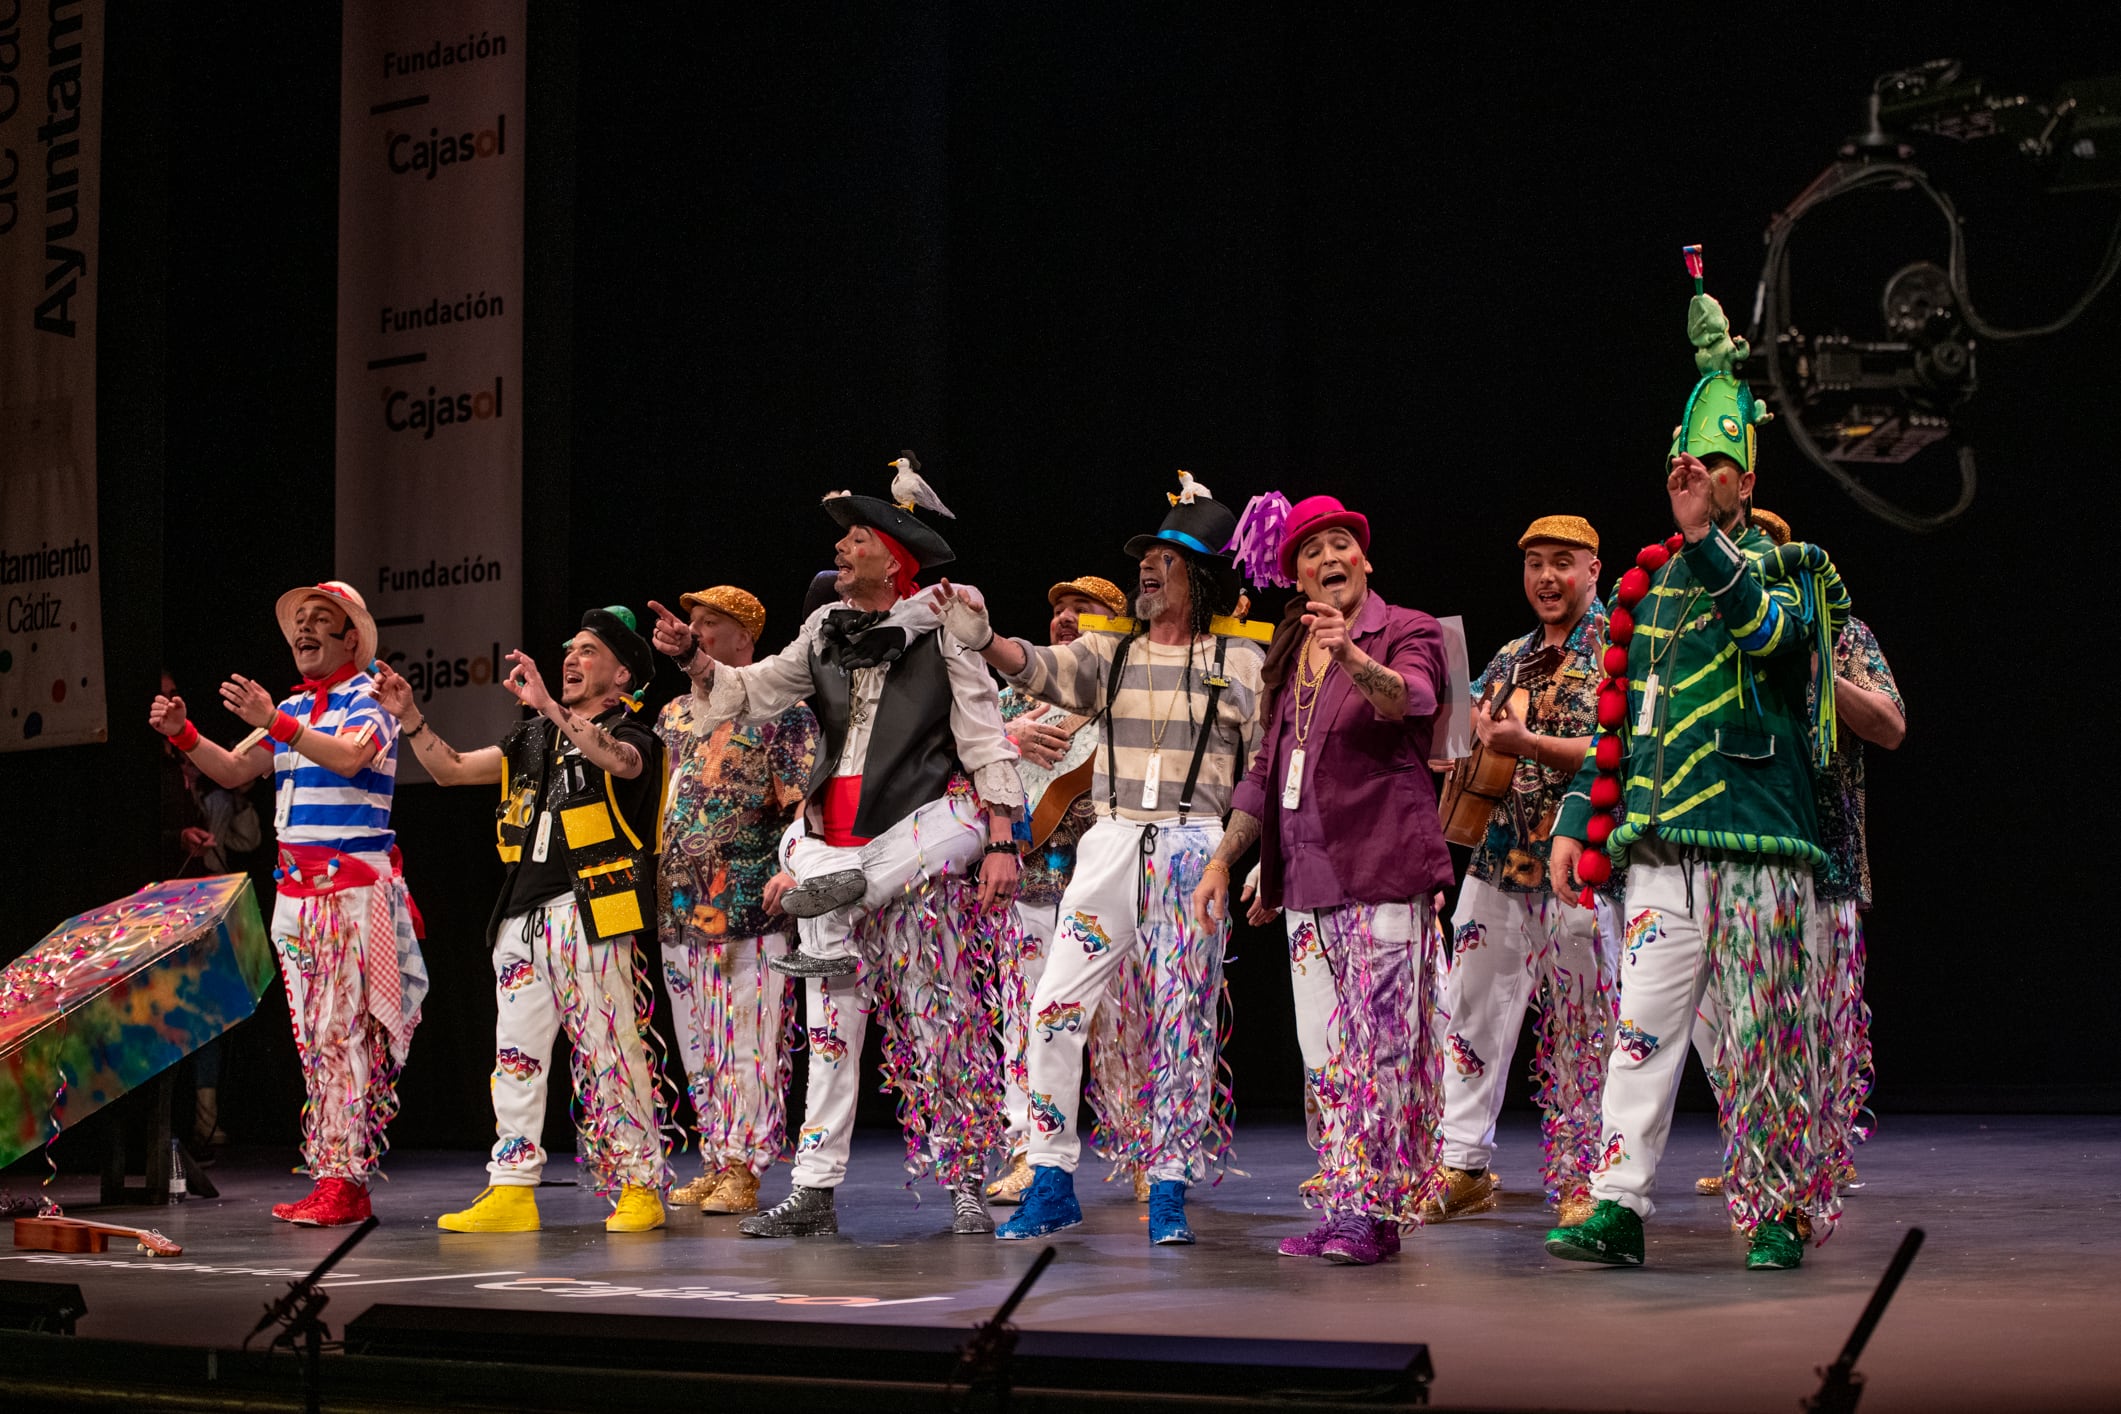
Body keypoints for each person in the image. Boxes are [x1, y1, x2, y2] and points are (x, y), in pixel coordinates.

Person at [1543, 254, 1850, 1271]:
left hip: (1760, 835)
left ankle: (1772, 1206)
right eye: (1687, 461)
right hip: (1661, 843)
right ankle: (1619, 1203)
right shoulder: (1646, 587)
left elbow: (1771, 639)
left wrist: (1704, 543)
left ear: (1748, 479)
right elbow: (1618, 717)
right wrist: (1577, 818)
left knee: (1760, 1032)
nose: (1698, 478)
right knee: (1640, 1031)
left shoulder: (1787, 567)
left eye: (1717, 466)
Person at [647, 470, 1023, 1237]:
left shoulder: (946, 624)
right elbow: (752, 690)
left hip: (912, 837)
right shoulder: (821, 630)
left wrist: (1002, 839)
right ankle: (814, 1190)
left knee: (938, 1020)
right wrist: (695, 661)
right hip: (831, 835)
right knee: (828, 1032)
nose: (839, 550)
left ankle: (963, 1181)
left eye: (855, 539)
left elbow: (983, 735)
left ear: (894, 556)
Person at [935, 484, 1266, 1245]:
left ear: (1202, 578)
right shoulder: (1107, 650)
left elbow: (1260, 772)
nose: (1148, 571)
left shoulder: (1242, 659)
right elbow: (1035, 666)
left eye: (1165, 562)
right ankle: (1050, 1178)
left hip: (1194, 847)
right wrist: (982, 637)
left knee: (1182, 1024)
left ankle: (1169, 1188)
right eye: (1145, 560)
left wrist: (1248, 860)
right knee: (1052, 1009)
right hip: (1110, 842)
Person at [1195, 493, 1455, 1264]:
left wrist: (1349, 653)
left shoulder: (1404, 629)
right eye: (1310, 552)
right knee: (1327, 1055)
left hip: (1380, 869)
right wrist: (1225, 858)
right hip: (1306, 881)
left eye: (1340, 544)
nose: (1328, 559)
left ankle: (1375, 1210)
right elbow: (1268, 770)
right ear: (1294, 575)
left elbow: (1410, 697)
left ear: (1364, 558)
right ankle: (1348, 1199)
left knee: (1383, 1049)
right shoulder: (1287, 650)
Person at [375, 607, 669, 1234]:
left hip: (592, 913)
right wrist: (411, 720)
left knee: (611, 1050)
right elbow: (452, 771)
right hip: (521, 919)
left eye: (588, 652)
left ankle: (639, 1183)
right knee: (514, 1057)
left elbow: (616, 763)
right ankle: (511, 1186)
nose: (571, 659)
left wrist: (551, 710)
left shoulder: (634, 735)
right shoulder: (530, 738)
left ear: (622, 675)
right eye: (570, 648)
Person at [148, 581, 427, 1226]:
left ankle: (346, 1180)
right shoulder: (299, 707)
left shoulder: (370, 696)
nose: (302, 630)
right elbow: (232, 770)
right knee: (314, 1037)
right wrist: (184, 732)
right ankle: (336, 1173)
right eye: (297, 622)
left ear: (350, 637)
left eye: (318, 621)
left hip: (351, 893)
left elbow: (355, 759)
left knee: (342, 1032)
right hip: (296, 897)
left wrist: (276, 721)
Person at [1696, 510, 1904, 1201]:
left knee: (1814, 1016)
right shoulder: (1715, 640)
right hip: (1738, 855)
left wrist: (1817, 671)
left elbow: (1891, 725)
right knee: (1733, 1016)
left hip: (1823, 859)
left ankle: (1814, 1151)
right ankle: (1758, 1150)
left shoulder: (1842, 634)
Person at [1427, 515, 1616, 1229]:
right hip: (1496, 861)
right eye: (1534, 563)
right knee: (1471, 1015)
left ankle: (1583, 1178)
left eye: (1560, 563)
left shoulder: (1619, 652)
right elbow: (1462, 734)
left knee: (1586, 1024)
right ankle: (1463, 1163)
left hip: (1585, 866)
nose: (1544, 577)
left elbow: (1616, 751)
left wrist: (1526, 741)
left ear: (1593, 569)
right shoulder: (1509, 657)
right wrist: (1452, 745)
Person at [987, 574, 1156, 1208]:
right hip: (1028, 881)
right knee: (1026, 1019)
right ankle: (1029, 1150)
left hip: (1109, 881)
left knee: (1123, 1021)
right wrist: (1009, 741)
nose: (1062, 617)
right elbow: (970, 771)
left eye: (1080, 608)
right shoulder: (1011, 702)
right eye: (1057, 607)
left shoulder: (1134, 692)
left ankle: (1145, 1150)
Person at [652, 586, 820, 1216]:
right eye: (690, 622)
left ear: (745, 637)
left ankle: (746, 1166)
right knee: (697, 1041)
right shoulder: (673, 714)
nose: (694, 632)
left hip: (748, 903)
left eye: (708, 624)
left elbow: (802, 806)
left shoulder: (783, 712)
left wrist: (792, 874)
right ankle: (718, 1155)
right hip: (680, 905)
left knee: (748, 1038)